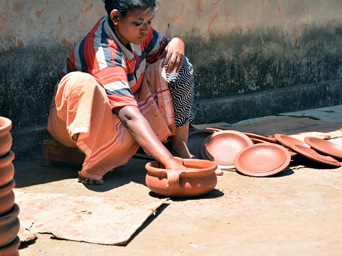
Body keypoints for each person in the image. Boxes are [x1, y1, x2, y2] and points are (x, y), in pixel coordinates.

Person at [47, 0, 195, 185]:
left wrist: (177, 42)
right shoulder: (103, 51)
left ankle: (180, 147)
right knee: (81, 83)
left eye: (149, 21)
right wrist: (169, 163)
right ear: (116, 17)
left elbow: (166, 49)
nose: (146, 28)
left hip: (123, 108)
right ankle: (100, 156)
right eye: (139, 22)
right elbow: (129, 116)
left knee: (178, 65)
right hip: (76, 124)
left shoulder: (136, 32)